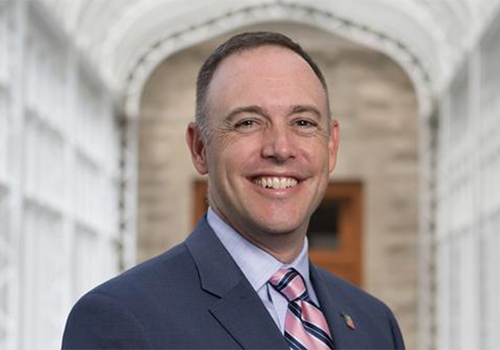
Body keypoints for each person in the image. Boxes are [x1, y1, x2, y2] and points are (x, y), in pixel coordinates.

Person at [62, 31, 405, 350]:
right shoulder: (120, 321)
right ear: (199, 148)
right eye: (247, 123)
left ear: (331, 146)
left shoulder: (375, 325)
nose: (280, 148)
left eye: (303, 122)